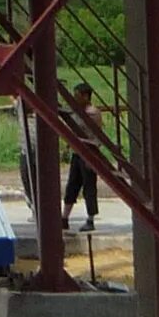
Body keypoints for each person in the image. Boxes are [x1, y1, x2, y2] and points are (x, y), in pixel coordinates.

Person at [60, 82, 103, 232]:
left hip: (89, 153)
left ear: (86, 96)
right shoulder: (77, 112)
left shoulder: (93, 113)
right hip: (77, 152)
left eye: (77, 96)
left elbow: (93, 133)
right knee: (72, 185)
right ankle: (64, 218)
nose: (75, 99)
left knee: (89, 187)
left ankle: (90, 219)